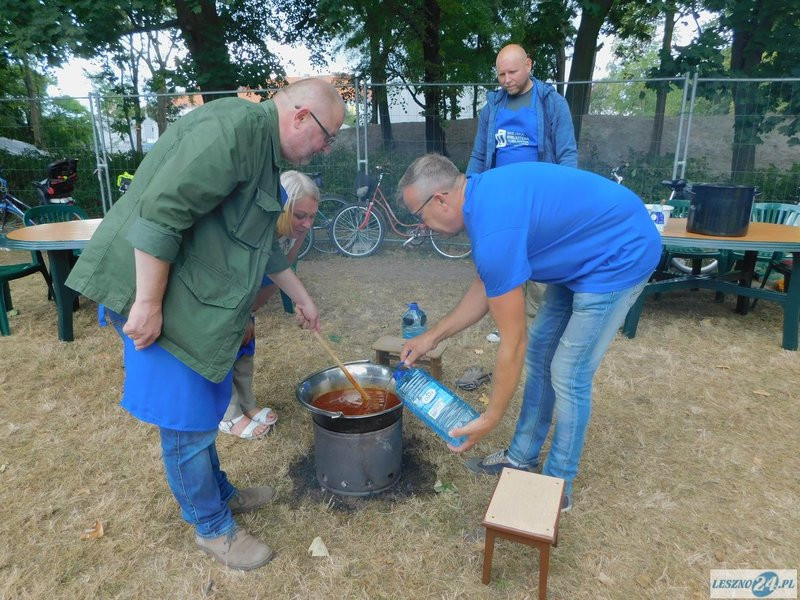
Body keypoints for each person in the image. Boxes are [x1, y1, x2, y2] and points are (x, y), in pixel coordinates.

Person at [65, 78, 345, 570]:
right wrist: (149, 303)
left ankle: (217, 495)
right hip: (156, 297)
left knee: (203, 408)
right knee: (186, 420)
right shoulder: (232, 128)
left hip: (190, 299)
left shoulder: (264, 155)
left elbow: (264, 243)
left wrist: (302, 298)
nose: (325, 148)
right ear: (301, 116)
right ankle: (211, 527)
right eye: (327, 136)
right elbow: (159, 213)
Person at [397, 154, 661, 512]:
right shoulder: (482, 202)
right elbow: (487, 285)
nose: (421, 226)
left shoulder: (492, 225)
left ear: (441, 199)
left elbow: (512, 341)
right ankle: (521, 457)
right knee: (542, 353)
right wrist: (432, 337)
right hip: (581, 252)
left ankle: (558, 485)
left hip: (619, 251)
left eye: (419, 215)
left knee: (568, 372)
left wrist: (489, 418)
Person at [467, 43, 578, 334]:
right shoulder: (492, 108)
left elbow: (567, 154)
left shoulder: (552, 103)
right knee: (507, 266)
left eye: (512, 72)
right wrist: (470, 192)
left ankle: (540, 329)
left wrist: (563, 200)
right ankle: (508, 327)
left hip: (541, 202)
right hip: (502, 203)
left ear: (529, 65)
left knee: (540, 269)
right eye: (501, 74)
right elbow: (479, 155)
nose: (506, 80)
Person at [219, 170, 320, 439]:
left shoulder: (296, 233)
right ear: (281, 207)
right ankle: (228, 414)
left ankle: (247, 404)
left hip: (249, 295)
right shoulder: (253, 229)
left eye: (312, 216)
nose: (307, 224)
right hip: (226, 294)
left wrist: (252, 312)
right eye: (300, 215)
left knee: (245, 346)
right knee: (225, 349)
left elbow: (281, 271)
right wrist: (239, 315)